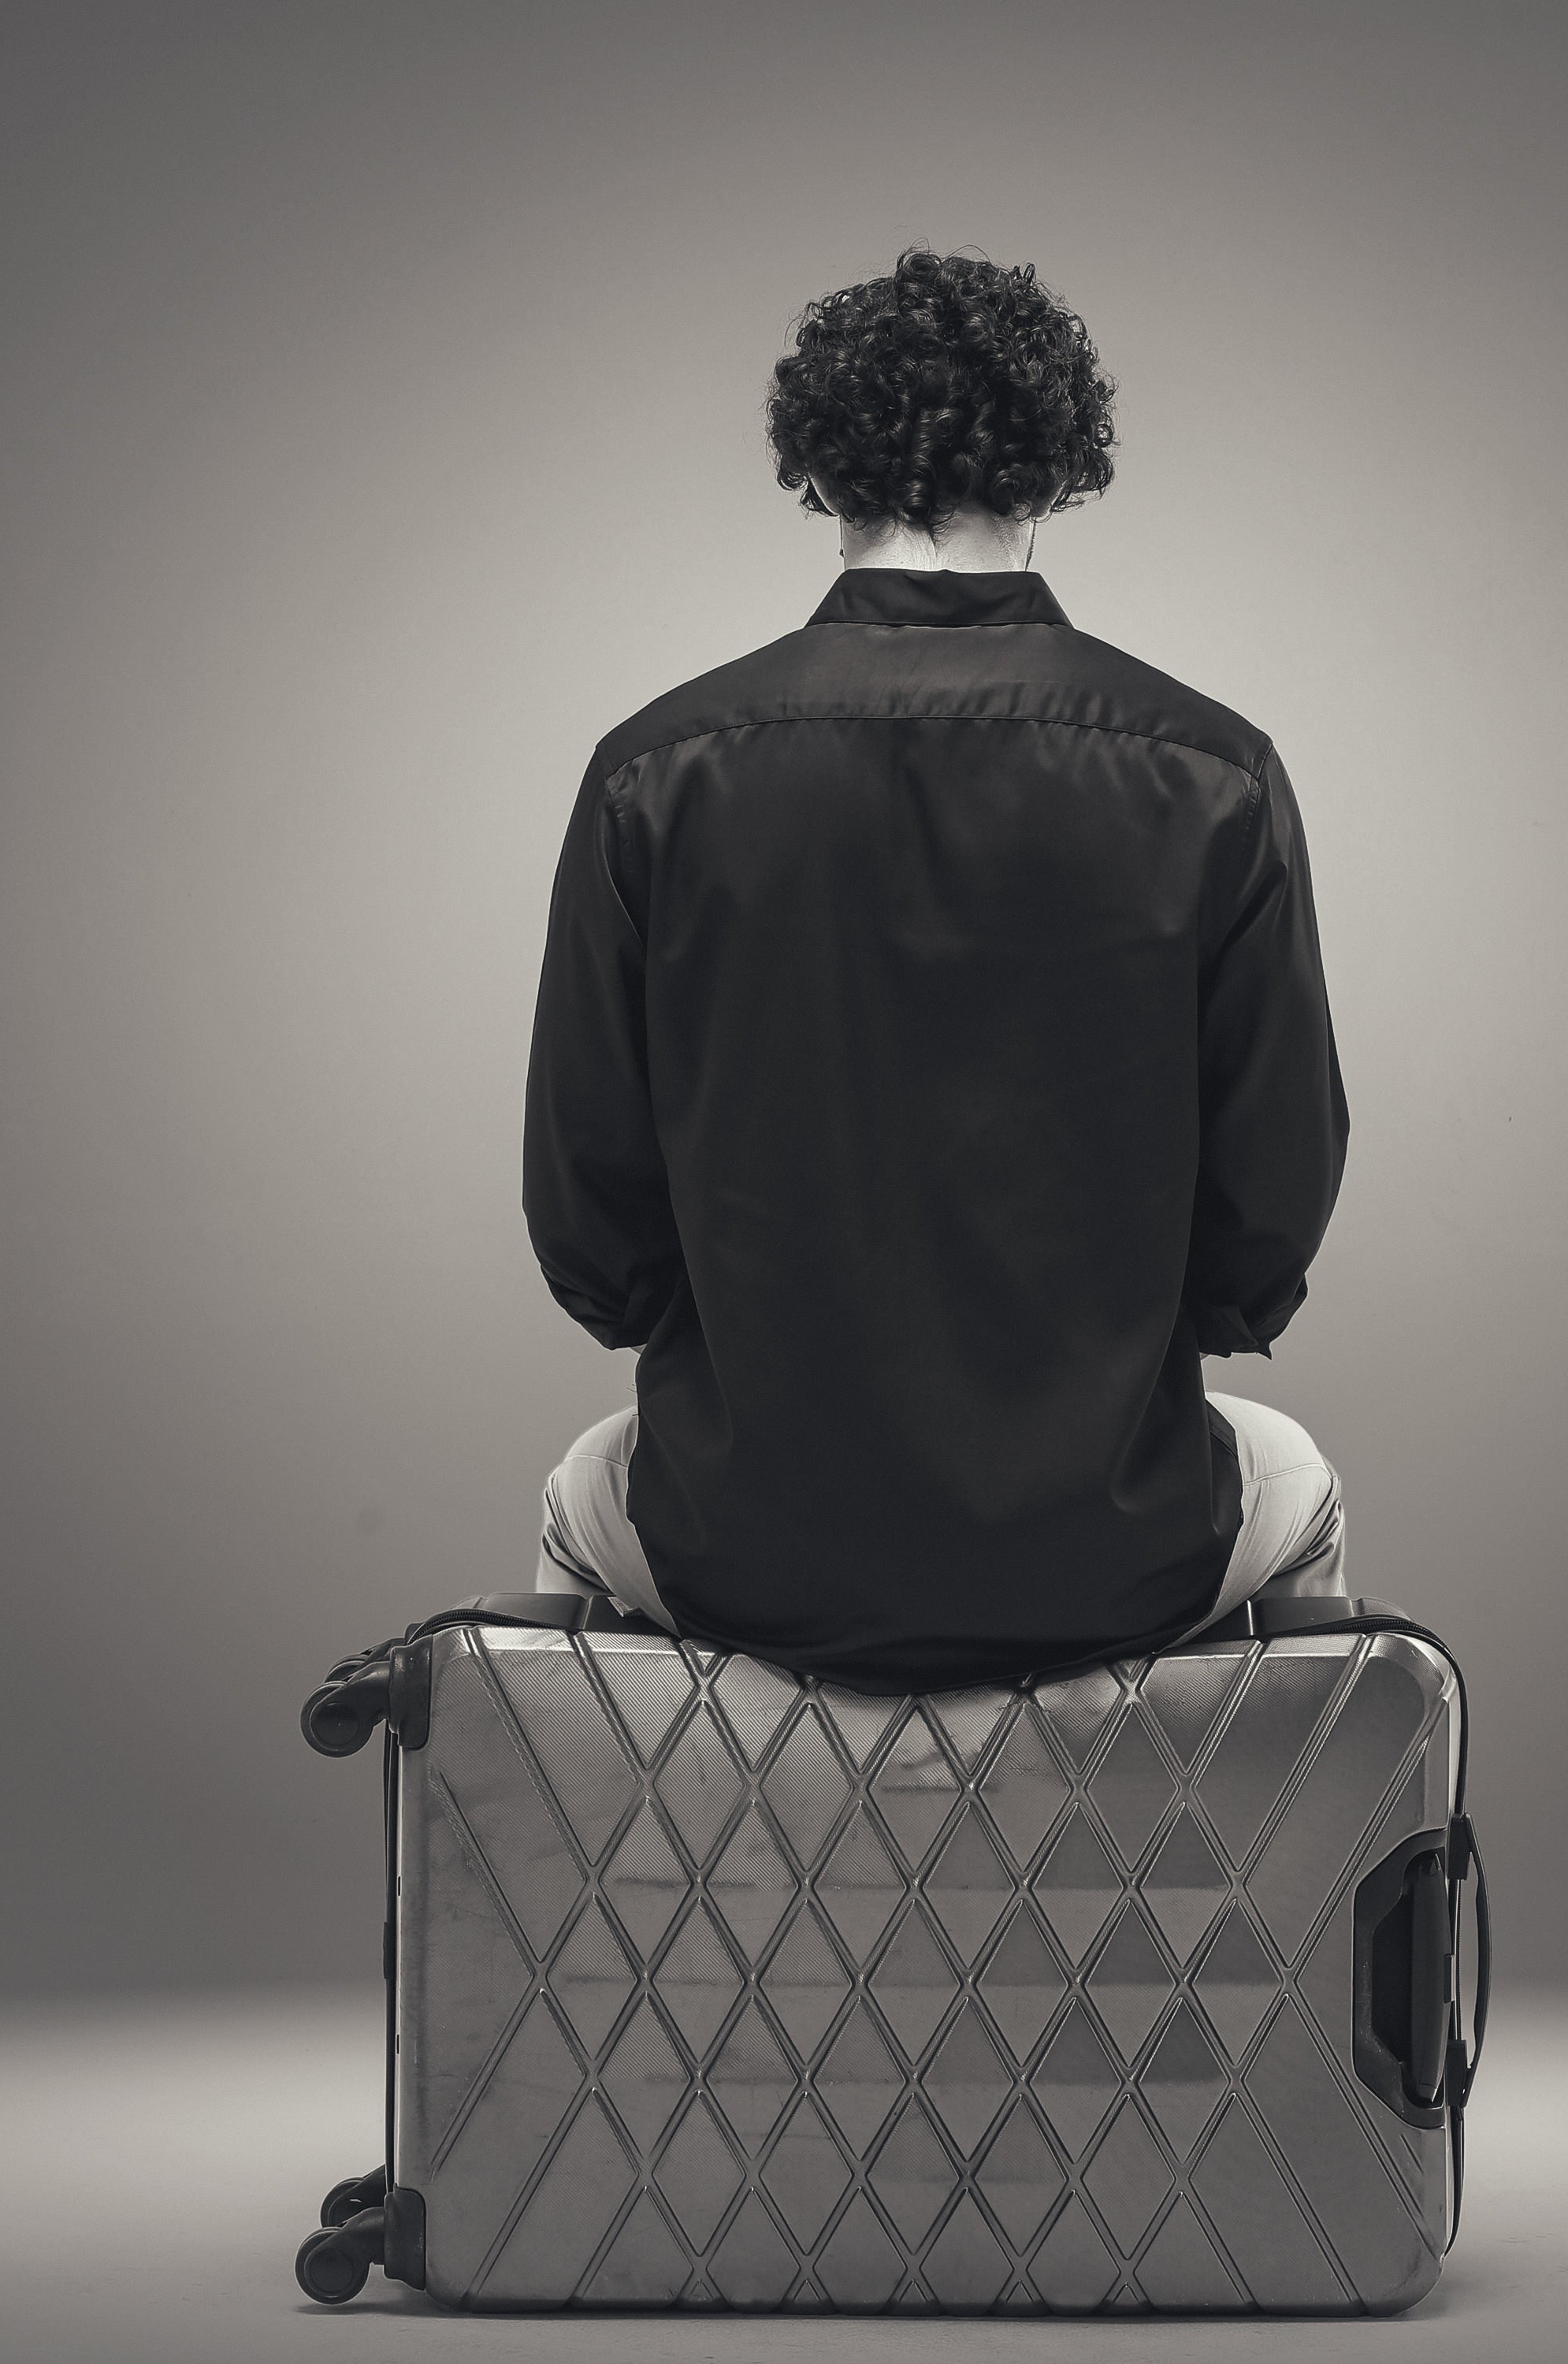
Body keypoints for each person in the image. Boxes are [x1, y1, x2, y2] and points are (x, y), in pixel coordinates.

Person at [524, 249, 1347, 1693]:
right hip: (1114, 1549)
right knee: (1300, 1483)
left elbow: (594, 1234)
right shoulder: (1215, 771)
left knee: (580, 1492)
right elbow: (1265, 1225)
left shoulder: (650, 773)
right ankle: (1187, 1846)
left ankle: (681, 1844)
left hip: (745, 1551)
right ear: (1056, 471)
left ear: (819, 473)